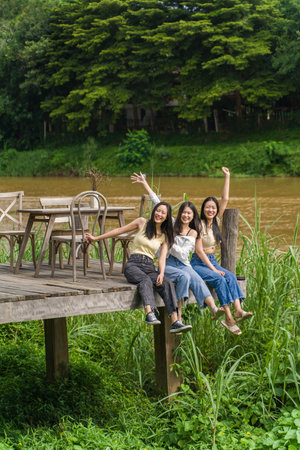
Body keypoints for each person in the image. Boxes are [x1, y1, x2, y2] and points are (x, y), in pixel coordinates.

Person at [85, 201, 192, 334]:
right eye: (158, 210)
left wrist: (162, 273)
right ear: (154, 211)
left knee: (167, 282)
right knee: (145, 281)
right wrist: (96, 238)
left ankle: (175, 322)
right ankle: (149, 313)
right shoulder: (142, 222)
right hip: (133, 264)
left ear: (167, 217)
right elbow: (118, 231)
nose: (159, 214)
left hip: (149, 265)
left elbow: (162, 258)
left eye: (163, 213)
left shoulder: (165, 236)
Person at [131, 173, 225, 323]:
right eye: (184, 212)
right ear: (180, 214)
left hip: (183, 264)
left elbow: (197, 252)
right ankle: (179, 316)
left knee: (197, 279)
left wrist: (214, 269)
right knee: (186, 277)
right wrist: (145, 183)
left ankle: (214, 309)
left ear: (193, 215)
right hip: (169, 262)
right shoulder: (172, 225)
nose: (186, 215)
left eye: (189, 213)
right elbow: (157, 202)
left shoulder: (195, 232)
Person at [190, 167, 253, 335]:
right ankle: (228, 316)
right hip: (198, 263)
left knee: (231, 276)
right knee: (219, 278)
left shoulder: (216, 221)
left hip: (212, 261)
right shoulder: (198, 224)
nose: (211, 210)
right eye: (208, 207)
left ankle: (238, 310)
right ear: (203, 209)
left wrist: (228, 176)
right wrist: (214, 269)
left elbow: (225, 198)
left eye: (213, 208)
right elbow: (199, 251)